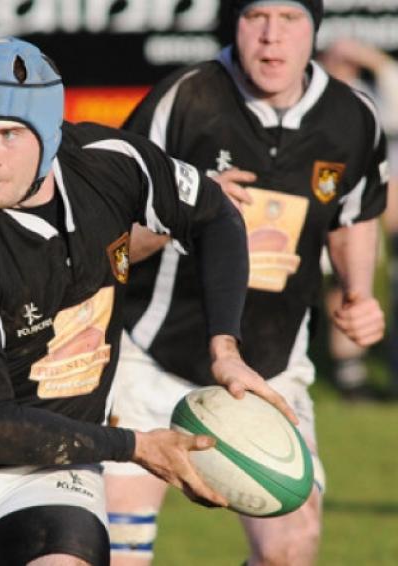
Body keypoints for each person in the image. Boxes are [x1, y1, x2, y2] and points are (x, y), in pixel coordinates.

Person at [0, 36, 296, 566]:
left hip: (50, 470)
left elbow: (213, 214)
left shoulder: (109, 162)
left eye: (9, 133)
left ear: (47, 130)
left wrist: (225, 349)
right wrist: (136, 447)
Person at [105, 1, 387, 565]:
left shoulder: (351, 116)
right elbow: (108, 237)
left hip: (269, 371)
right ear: (233, 23)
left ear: (315, 27)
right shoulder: (184, 99)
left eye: (290, 18)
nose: (271, 36)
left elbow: (354, 214)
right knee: (115, 553)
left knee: (290, 548)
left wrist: (358, 293)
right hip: (149, 360)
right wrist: (186, 207)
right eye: (257, 16)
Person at [319, 38, 398, 399]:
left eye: (350, 60)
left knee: (348, 285)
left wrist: (372, 59)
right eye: (335, 58)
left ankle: (350, 373)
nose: (342, 64)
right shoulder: (306, 96)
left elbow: (392, 83)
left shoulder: (366, 98)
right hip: (307, 204)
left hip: (353, 211)